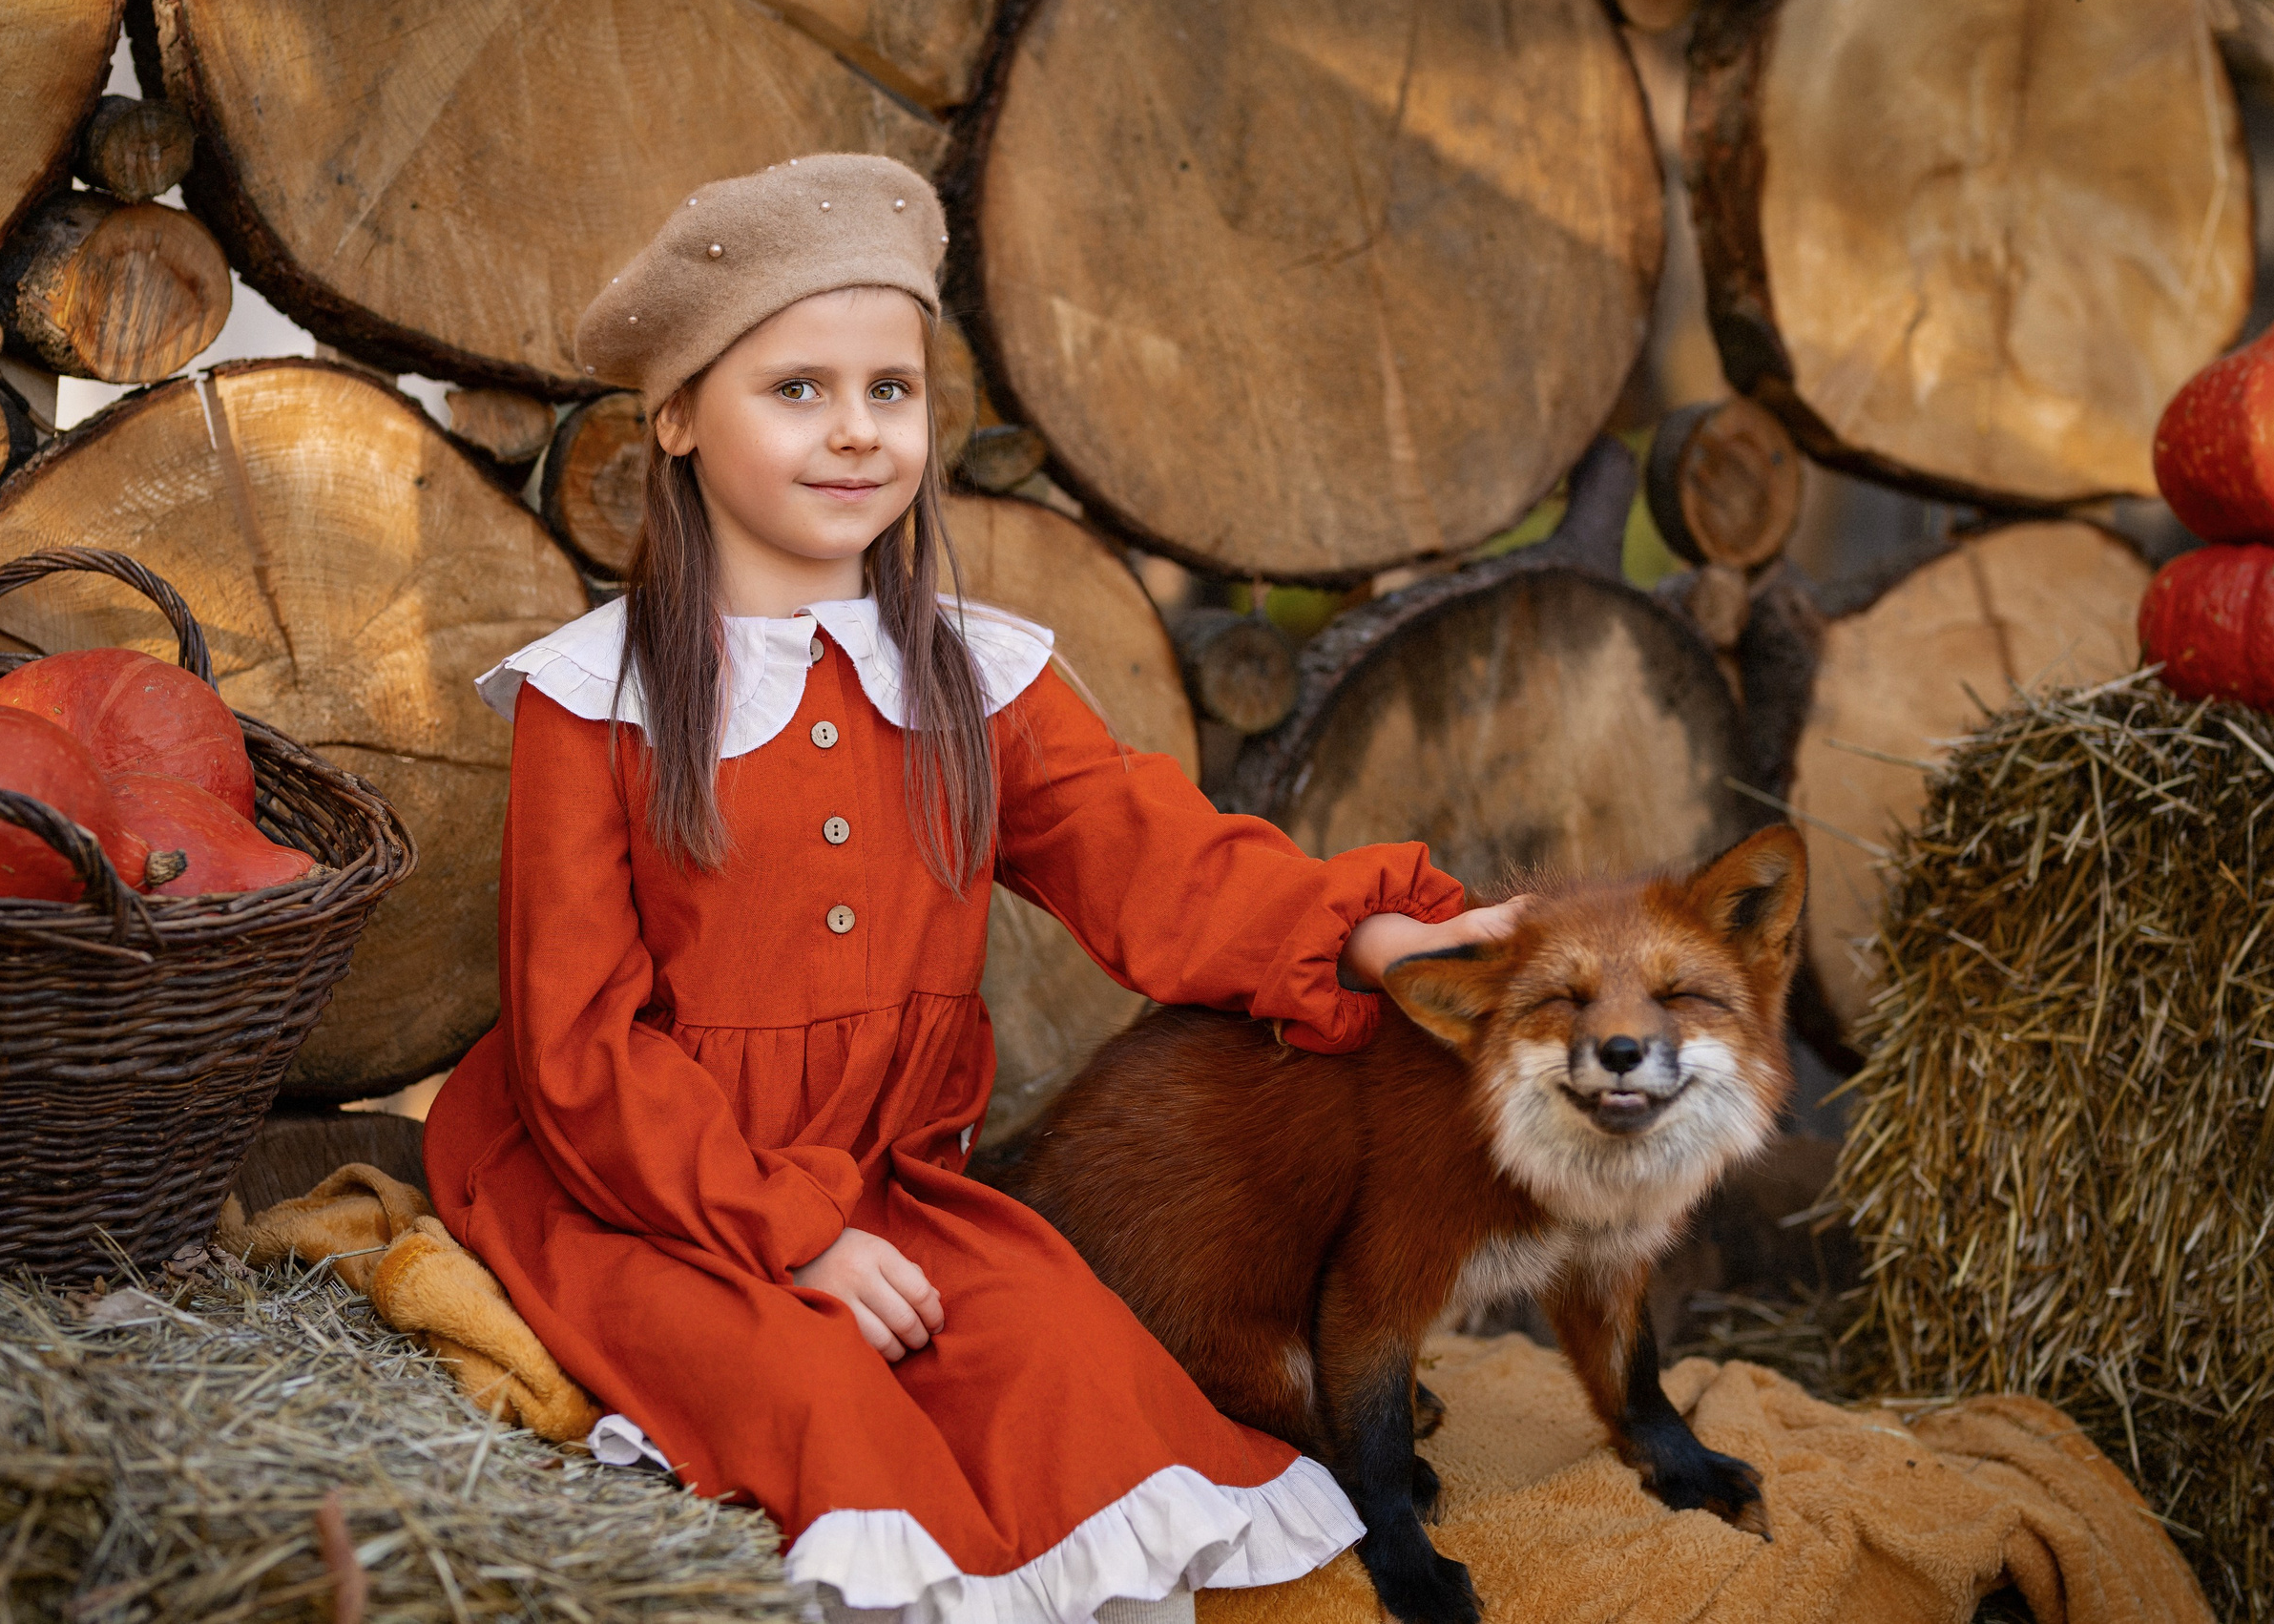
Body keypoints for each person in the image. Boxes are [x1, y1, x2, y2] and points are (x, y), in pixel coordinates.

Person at [423, 153, 1525, 1624]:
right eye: (797, 388)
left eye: (892, 389)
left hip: (892, 1184)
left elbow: (1158, 865)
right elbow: (578, 1048)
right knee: (818, 1397)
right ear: (677, 418)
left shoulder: (969, 674)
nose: (857, 430)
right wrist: (794, 1236)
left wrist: (1382, 935)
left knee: (1072, 1376)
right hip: (641, 1188)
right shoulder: (597, 698)